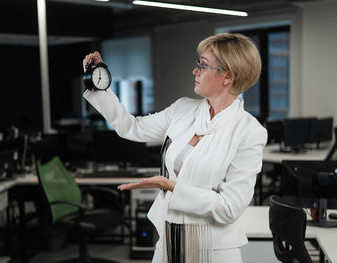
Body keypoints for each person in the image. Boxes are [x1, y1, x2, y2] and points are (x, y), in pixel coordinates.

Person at [82, 33, 267, 263]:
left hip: (215, 250)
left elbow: (230, 207)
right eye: (197, 63)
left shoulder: (249, 132)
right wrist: (99, 84)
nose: (195, 70)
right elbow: (132, 127)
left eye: (203, 65)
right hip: (170, 240)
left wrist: (170, 186)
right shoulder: (182, 109)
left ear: (227, 76)